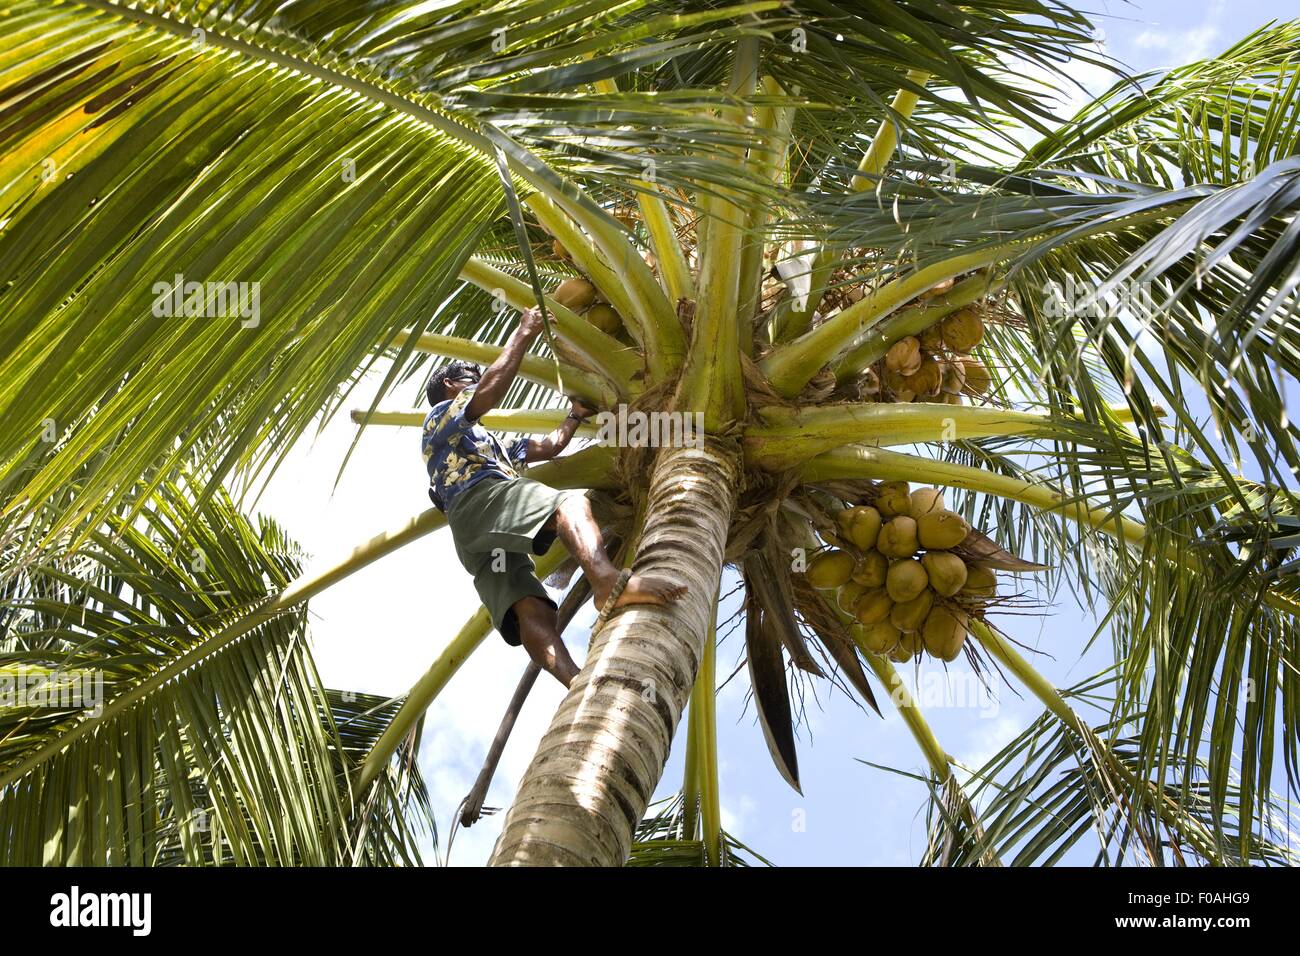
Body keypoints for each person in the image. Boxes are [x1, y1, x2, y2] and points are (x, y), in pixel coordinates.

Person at [421, 306, 685, 687]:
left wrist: (575, 415)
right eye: (468, 377)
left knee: (527, 605)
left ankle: (576, 683)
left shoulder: (487, 443)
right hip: (481, 498)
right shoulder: (441, 416)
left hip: (475, 536)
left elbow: (549, 447)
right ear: (448, 385)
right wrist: (524, 333)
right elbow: (490, 391)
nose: (476, 379)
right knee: (571, 504)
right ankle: (607, 580)